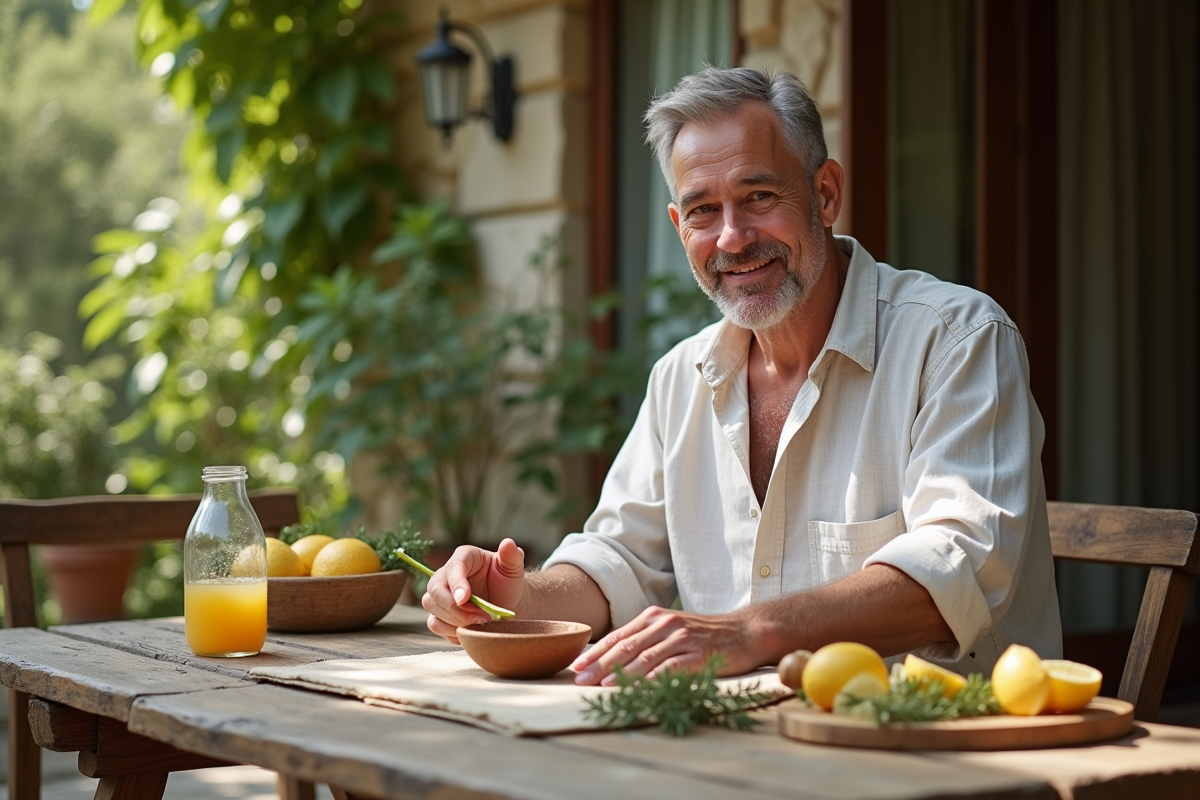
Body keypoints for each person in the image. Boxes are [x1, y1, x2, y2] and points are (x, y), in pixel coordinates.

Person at [422, 66, 1062, 686]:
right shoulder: (681, 377)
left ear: (825, 194)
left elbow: (957, 569)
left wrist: (745, 631)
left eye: (759, 197)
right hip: (737, 754)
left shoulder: (958, 340)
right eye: (702, 210)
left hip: (944, 756)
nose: (732, 238)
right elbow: (618, 560)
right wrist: (518, 597)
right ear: (680, 229)